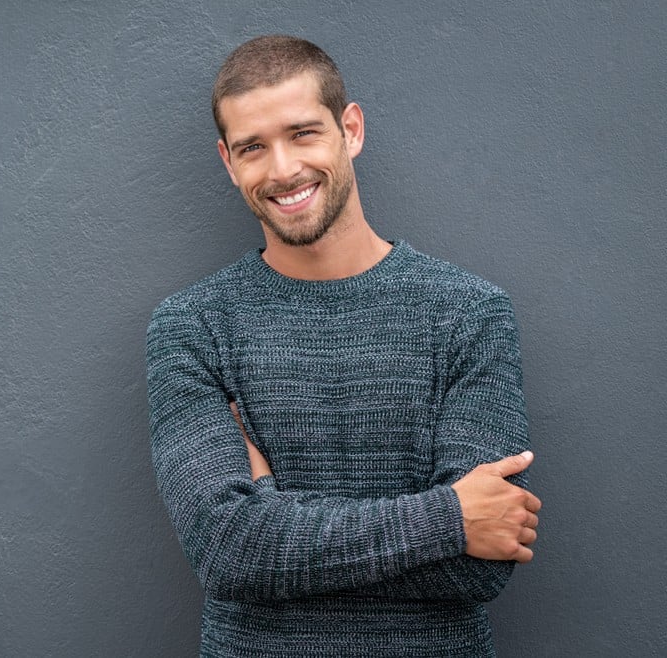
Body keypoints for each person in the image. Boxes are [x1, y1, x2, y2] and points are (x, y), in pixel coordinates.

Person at [146, 35, 541, 657]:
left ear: (350, 130)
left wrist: (272, 519)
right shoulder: (193, 327)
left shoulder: (469, 313)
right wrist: (449, 518)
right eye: (253, 147)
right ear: (229, 161)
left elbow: (479, 569)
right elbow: (226, 553)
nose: (282, 169)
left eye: (303, 133)